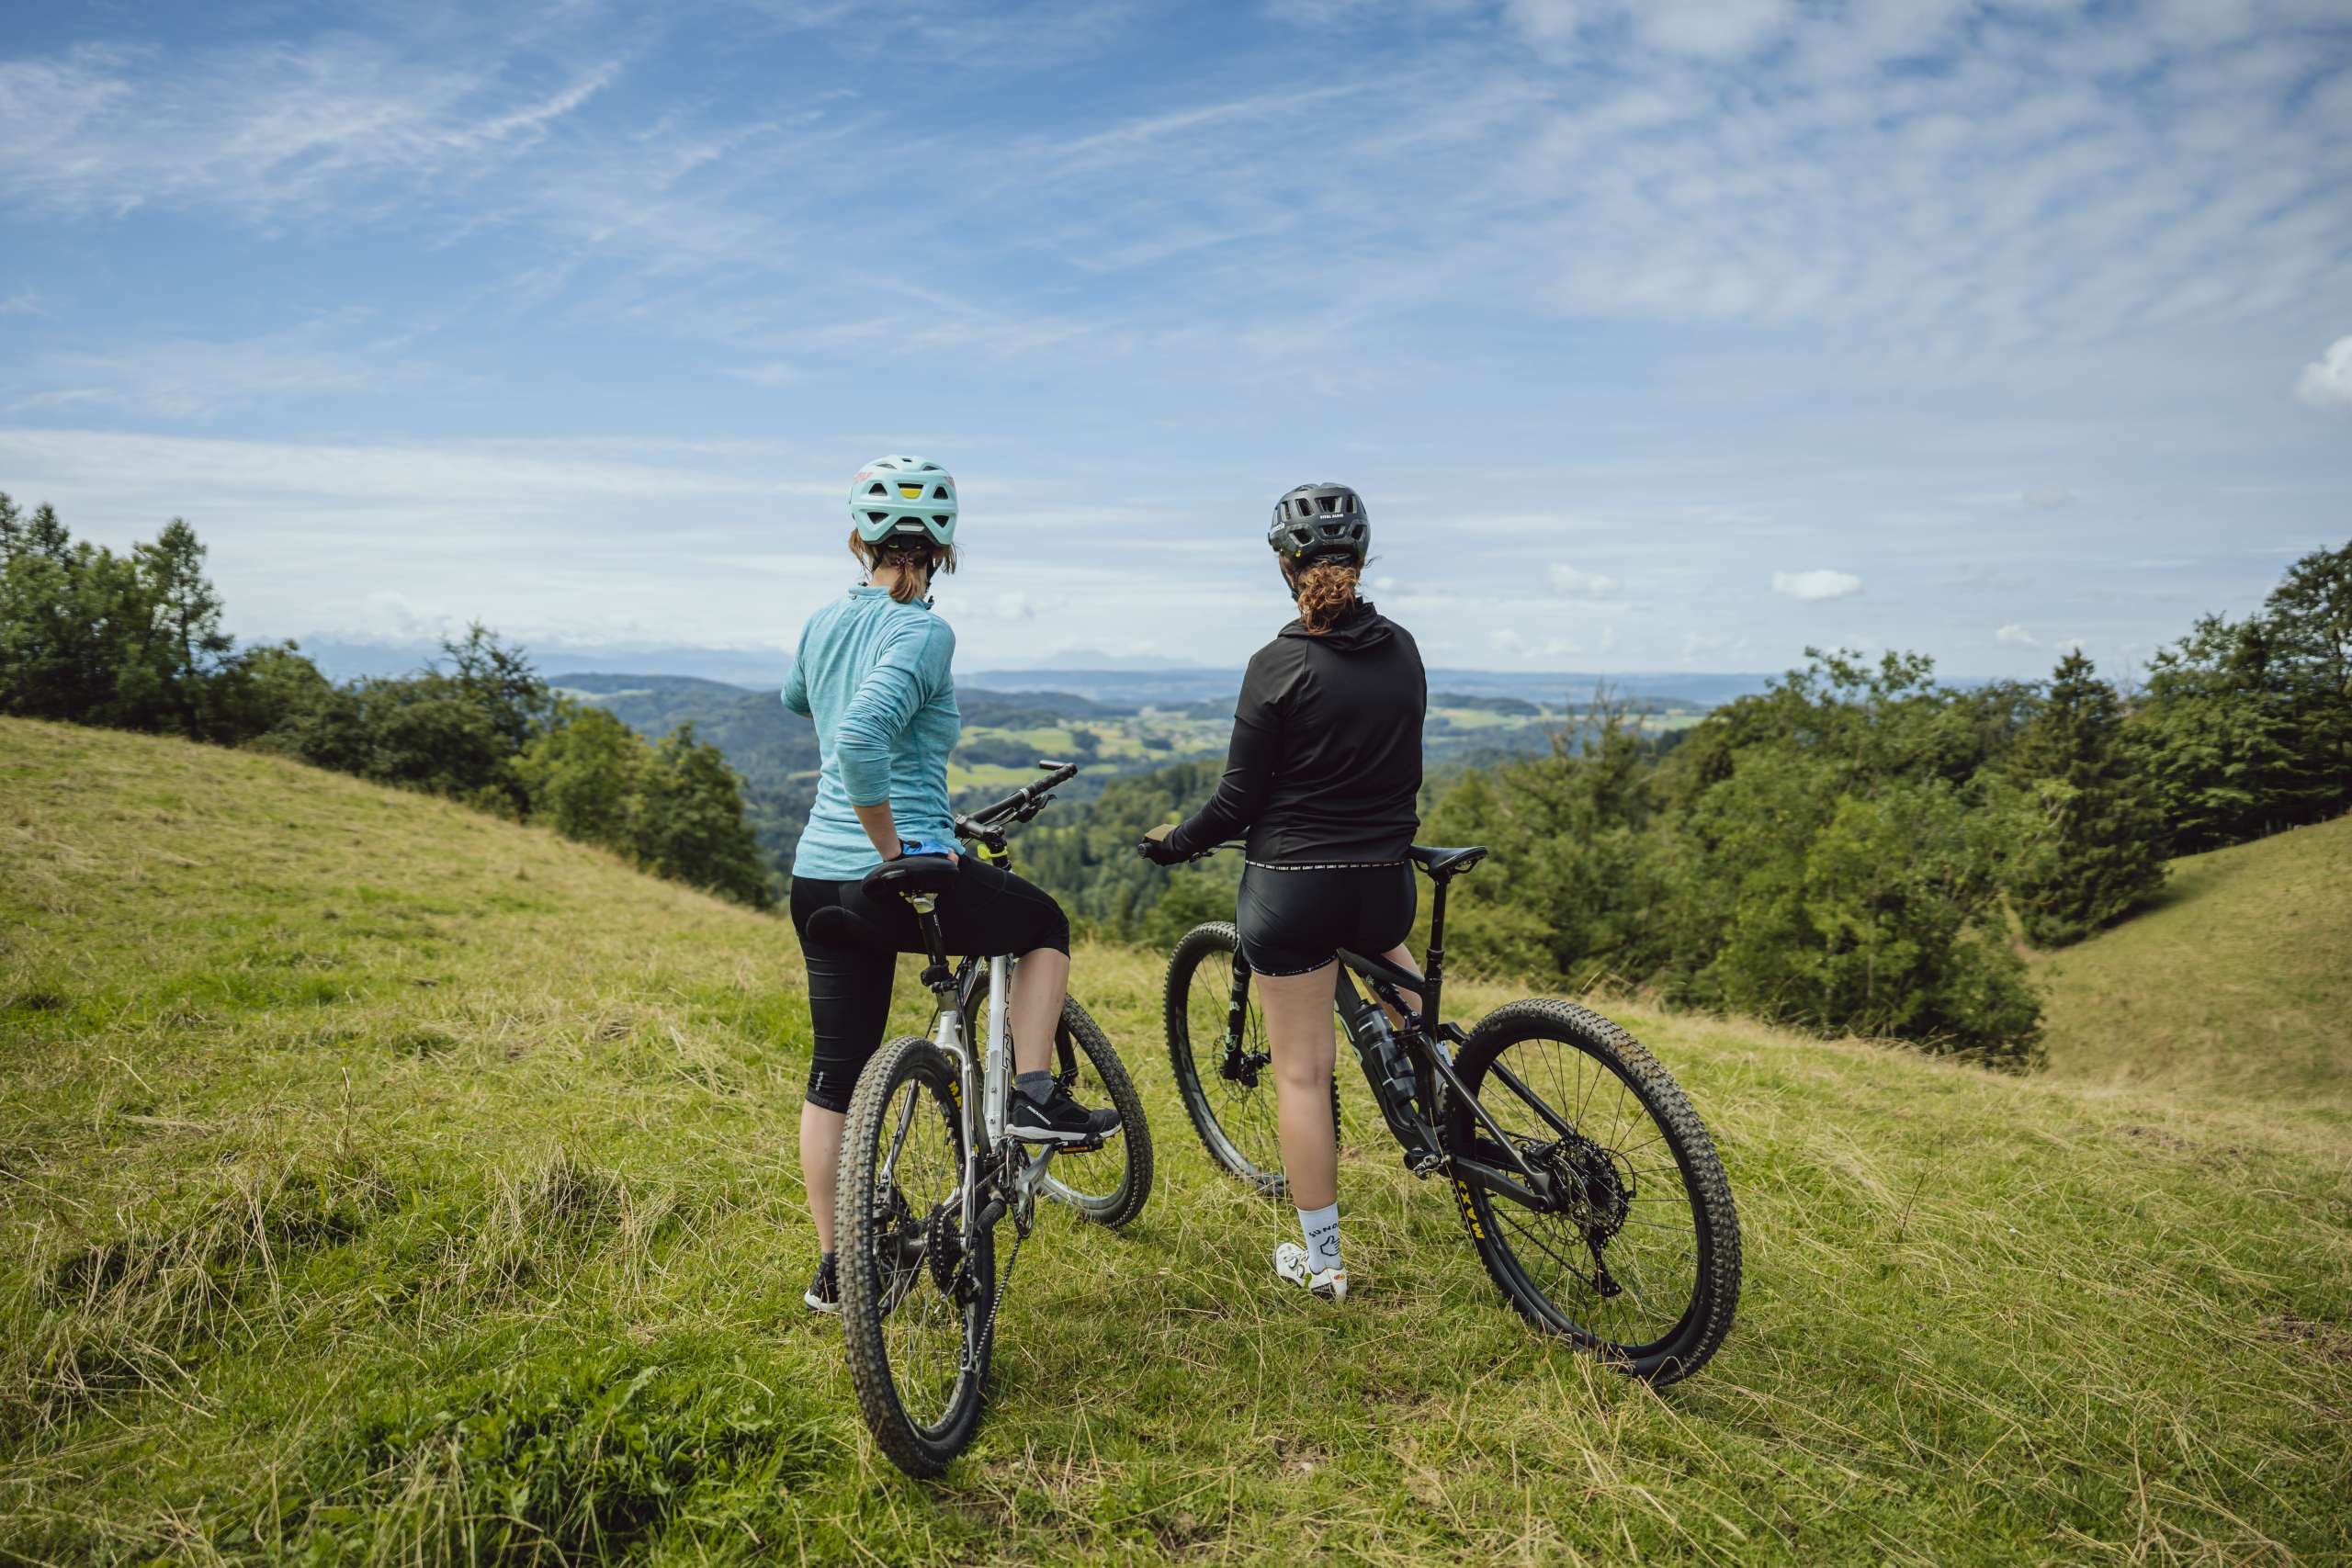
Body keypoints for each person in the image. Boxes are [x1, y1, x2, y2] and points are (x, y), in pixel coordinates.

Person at [784, 455, 1117, 1315]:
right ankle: (1037, 1090)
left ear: (859, 540)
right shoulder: (924, 631)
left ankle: (837, 1269)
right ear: (942, 549)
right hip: (898, 869)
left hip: (814, 881)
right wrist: (892, 845)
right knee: (1043, 924)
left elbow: (799, 698)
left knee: (834, 1078)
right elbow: (859, 740)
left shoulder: (824, 621)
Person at [1138, 481, 1426, 1303]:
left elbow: (1237, 802)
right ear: (1359, 561)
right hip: (1383, 889)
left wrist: (1177, 844)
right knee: (1418, 1017)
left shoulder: (1277, 664)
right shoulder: (1403, 648)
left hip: (1293, 893)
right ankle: (1450, 1106)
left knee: (1302, 1074)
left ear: (1286, 568)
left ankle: (1323, 1261)